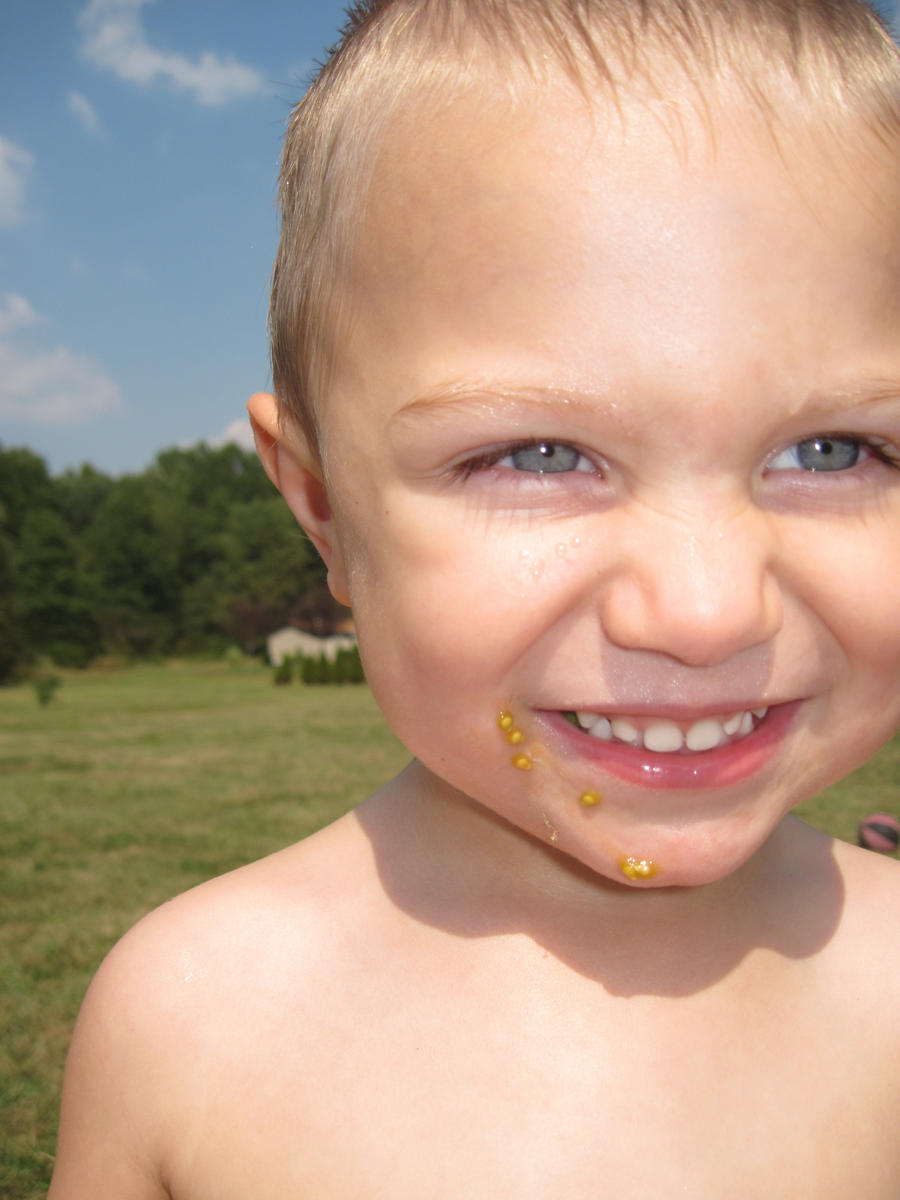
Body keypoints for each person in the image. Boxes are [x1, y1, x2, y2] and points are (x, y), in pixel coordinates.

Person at [49, 1, 900, 1195]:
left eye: (832, 452)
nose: (706, 612)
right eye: (539, 456)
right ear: (324, 508)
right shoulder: (188, 1025)